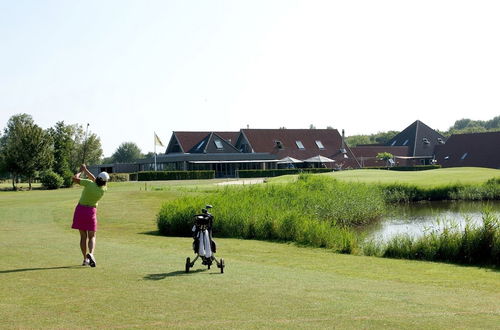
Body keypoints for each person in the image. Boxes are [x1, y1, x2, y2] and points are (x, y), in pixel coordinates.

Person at [71, 164, 109, 267]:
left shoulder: (88, 183)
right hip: (91, 212)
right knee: (92, 236)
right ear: (105, 182)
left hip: (80, 210)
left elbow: (75, 179)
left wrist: (81, 171)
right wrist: (86, 170)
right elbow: (94, 179)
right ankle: (91, 254)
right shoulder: (103, 189)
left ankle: (85, 259)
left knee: (83, 236)